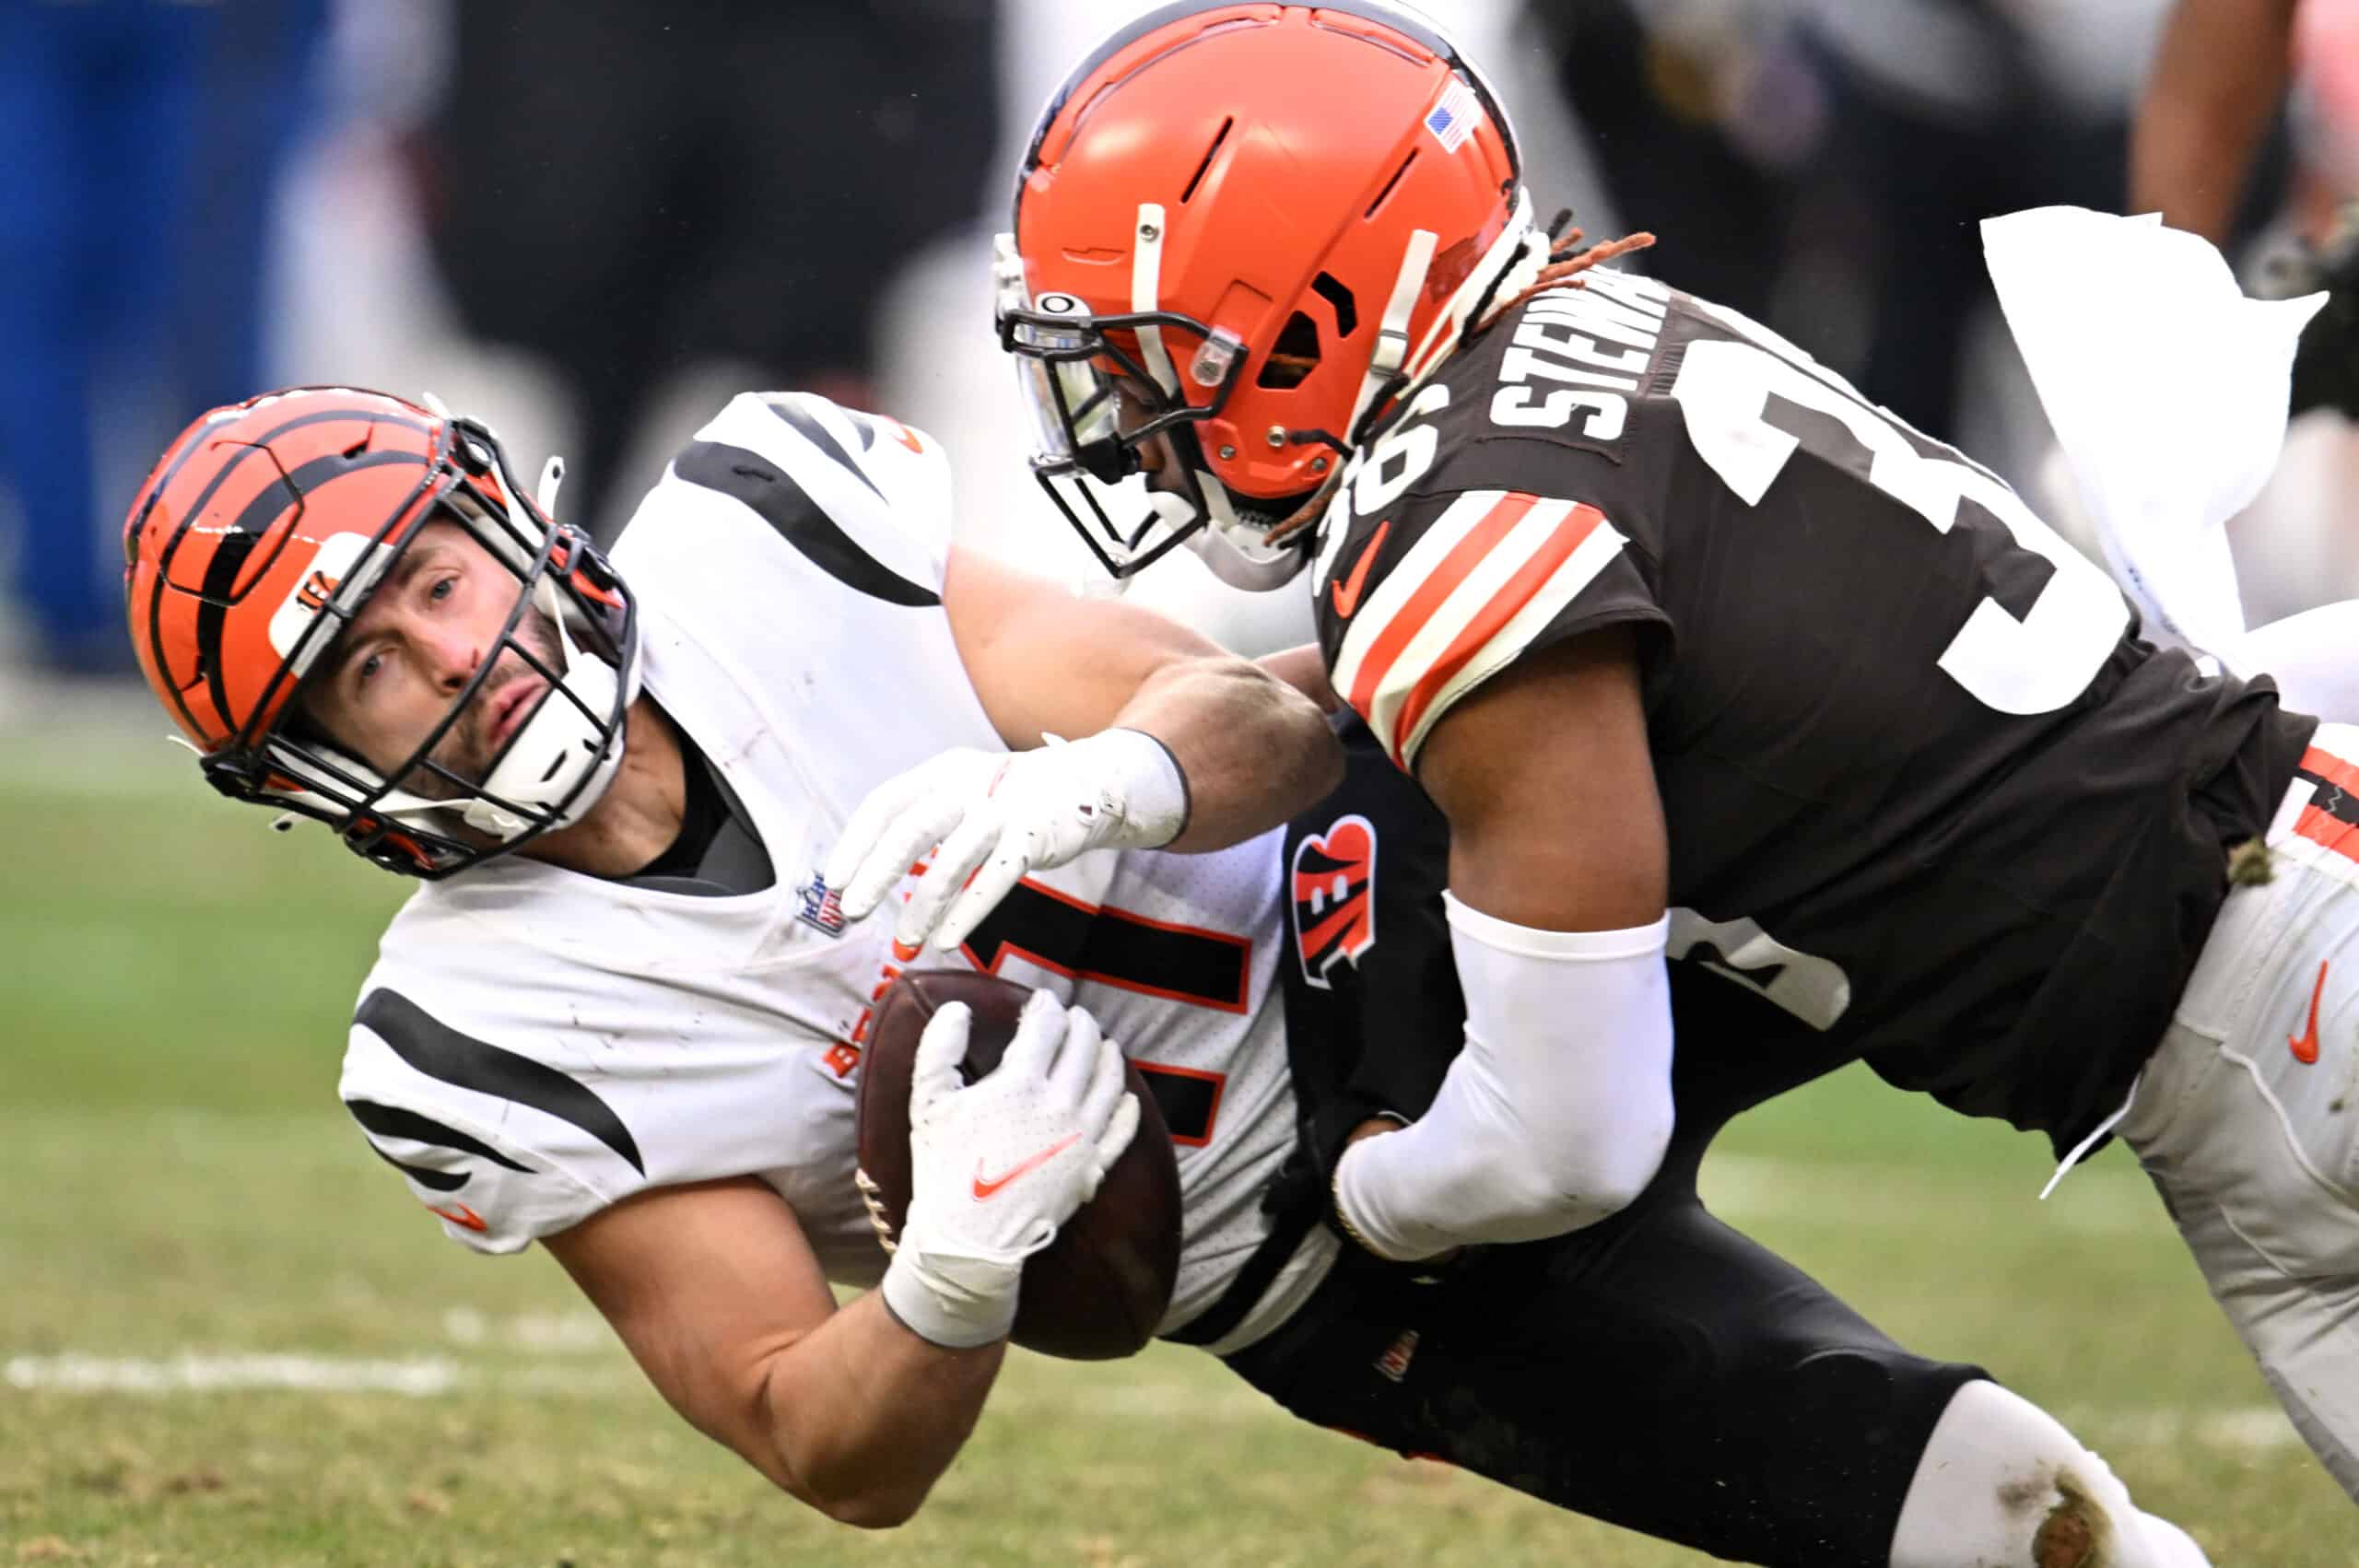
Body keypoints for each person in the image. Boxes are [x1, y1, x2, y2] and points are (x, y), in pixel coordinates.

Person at [122, 384, 2208, 1566]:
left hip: (1397, 914)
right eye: (360, 671)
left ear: (505, 517)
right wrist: (947, 1272)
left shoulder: (761, 520)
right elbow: (814, 1436)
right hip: (1333, 1279)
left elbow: (1266, 722)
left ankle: (2239, 787)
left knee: (1985, 837)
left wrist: (1093, 787)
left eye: (423, 580)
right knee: (2002, 1516)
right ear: (313, 775)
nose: (445, 663)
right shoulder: (468, 1040)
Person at [992, 0, 2359, 1514]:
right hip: (2271, 951)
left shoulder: (1454, 545)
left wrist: (1369, 1188)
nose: (1129, 424)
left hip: (2270, 1022)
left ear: (1310, 320)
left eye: (1143, 361)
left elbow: (1566, 1140)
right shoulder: (1592, 337)